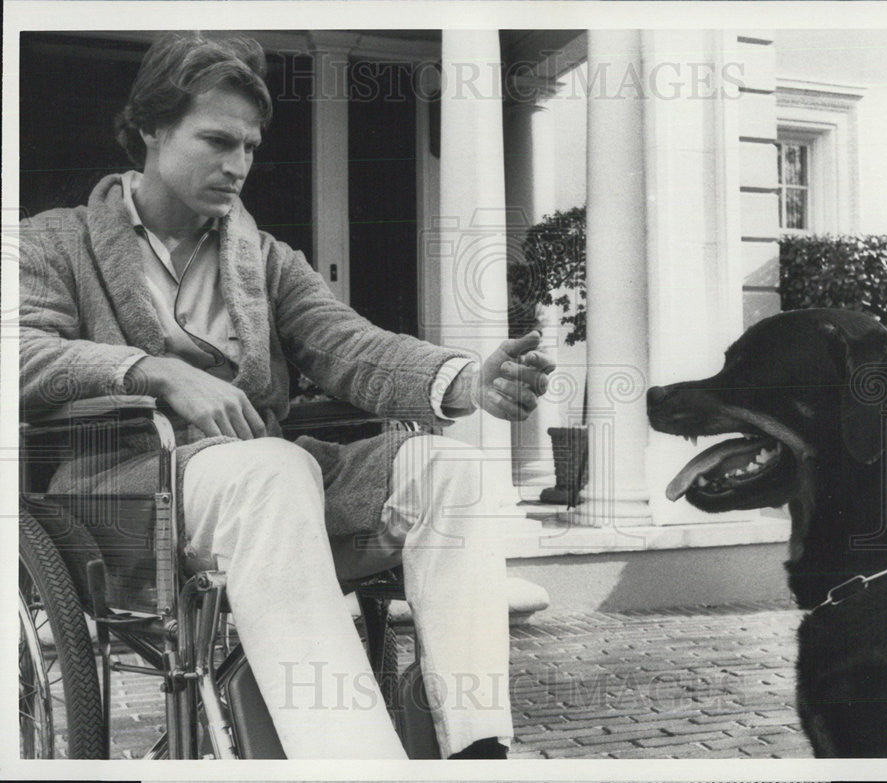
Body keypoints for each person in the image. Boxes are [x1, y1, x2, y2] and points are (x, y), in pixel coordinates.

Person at [19, 32, 554, 760]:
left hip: (272, 484)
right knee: (272, 469)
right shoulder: (53, 244)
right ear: (150, 126)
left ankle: (475, 748)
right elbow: (20, 352)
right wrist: (152, 369)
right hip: (127, 491)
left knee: (452, 472)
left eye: (249, 146)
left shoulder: (265, 259)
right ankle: (349, 760)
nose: (238, 165)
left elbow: (350, 344)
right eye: (216, 140)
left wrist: (466, 380)